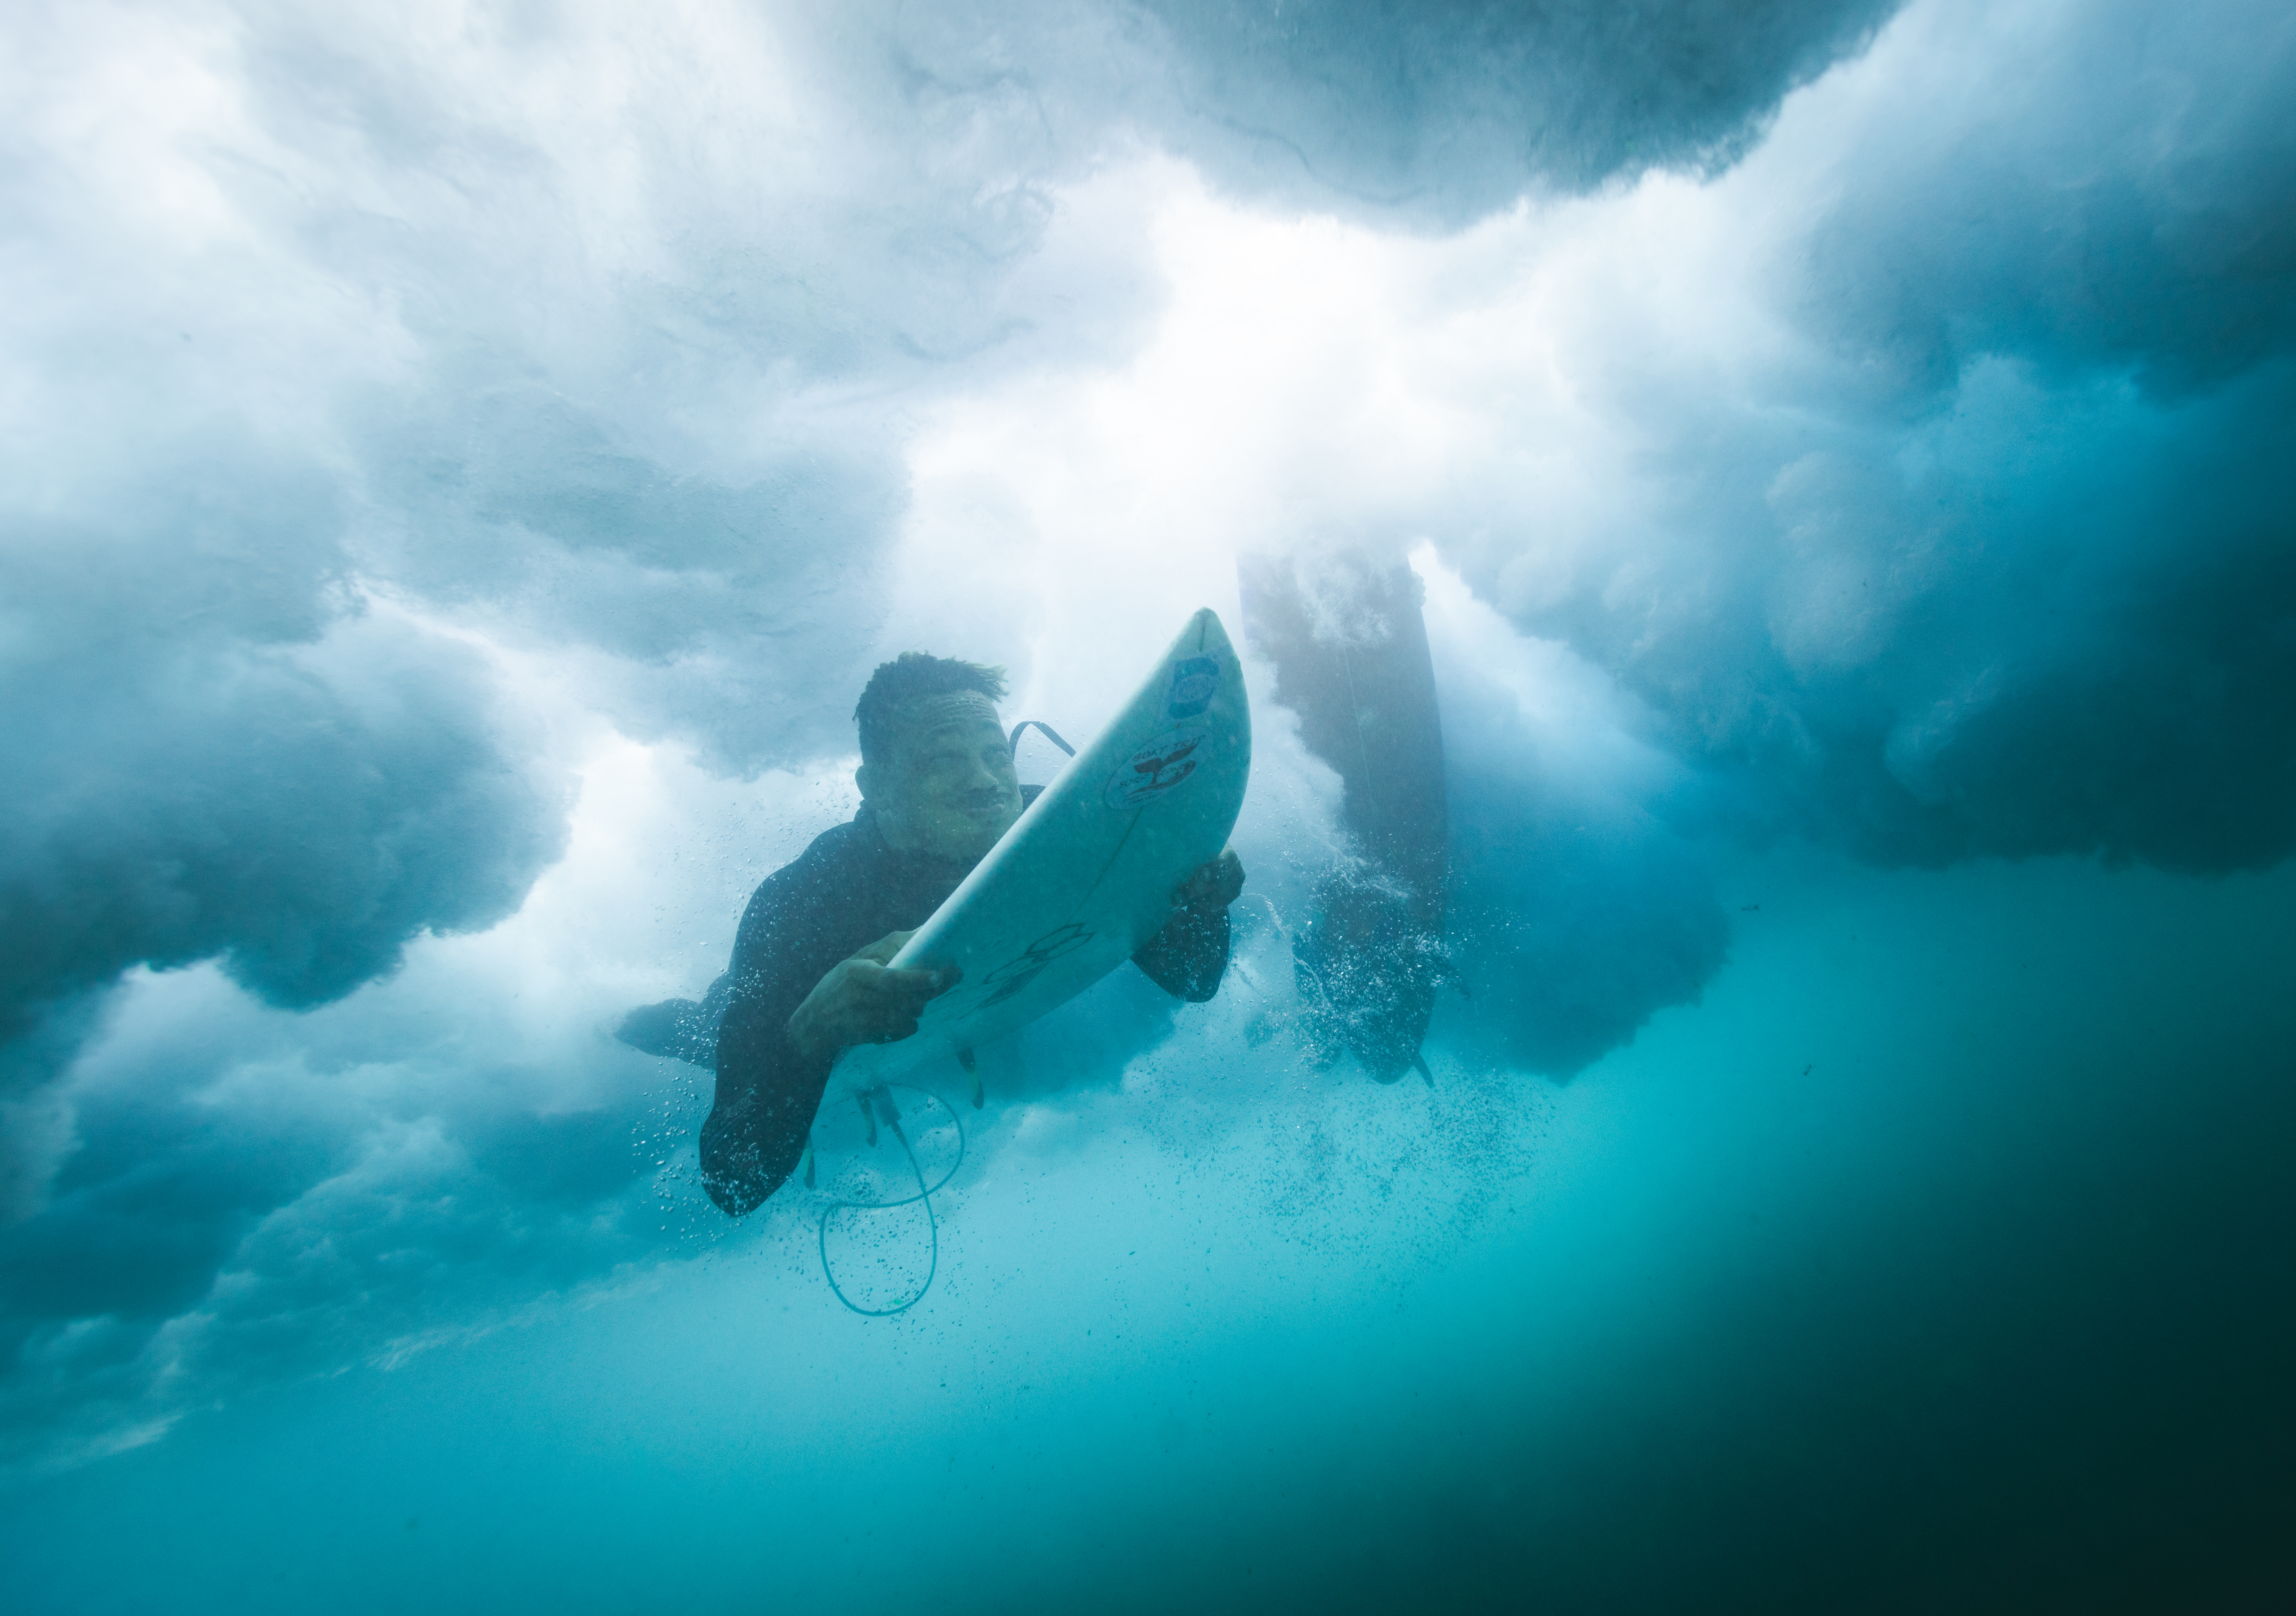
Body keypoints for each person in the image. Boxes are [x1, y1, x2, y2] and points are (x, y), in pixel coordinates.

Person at [697, 652, 1245, 1217]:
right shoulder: (800, 906)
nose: (984, 782)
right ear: (876, 786)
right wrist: (808, 1036)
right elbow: (730, 1183)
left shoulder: (1071, 831)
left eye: (994, 754)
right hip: (776, 1002)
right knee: (706, 1030)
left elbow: (1194, 978)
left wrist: (1198, 899)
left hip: (980, 1006)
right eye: (943, 761)